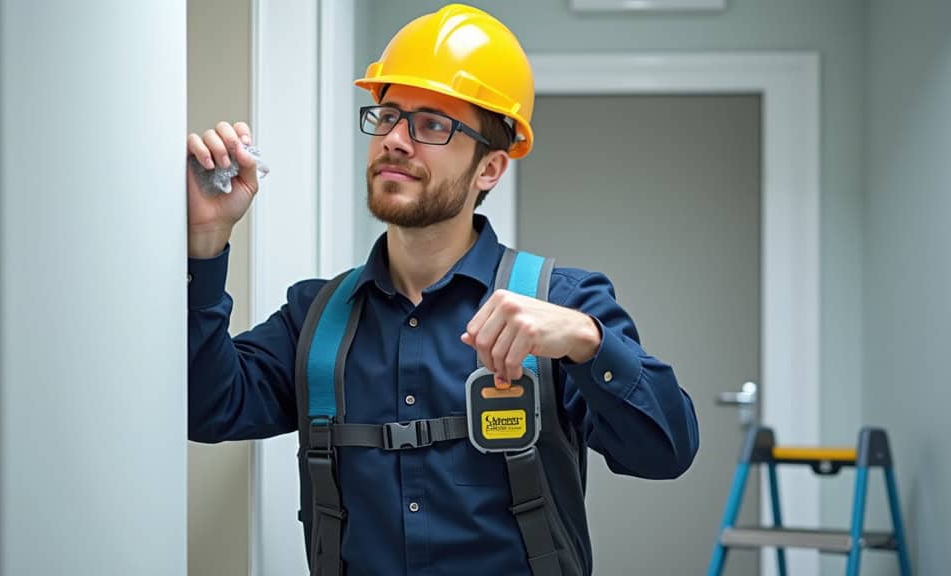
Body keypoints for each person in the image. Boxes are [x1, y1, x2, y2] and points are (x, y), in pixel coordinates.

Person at [187, 4, 698, 575]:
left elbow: (666, 452)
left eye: (432, 125)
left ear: (490, 169)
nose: (395, 140)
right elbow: (207, 409)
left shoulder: (560, 304)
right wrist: (206, 240)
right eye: (388, 116)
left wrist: (588, 341)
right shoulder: (316, 317)